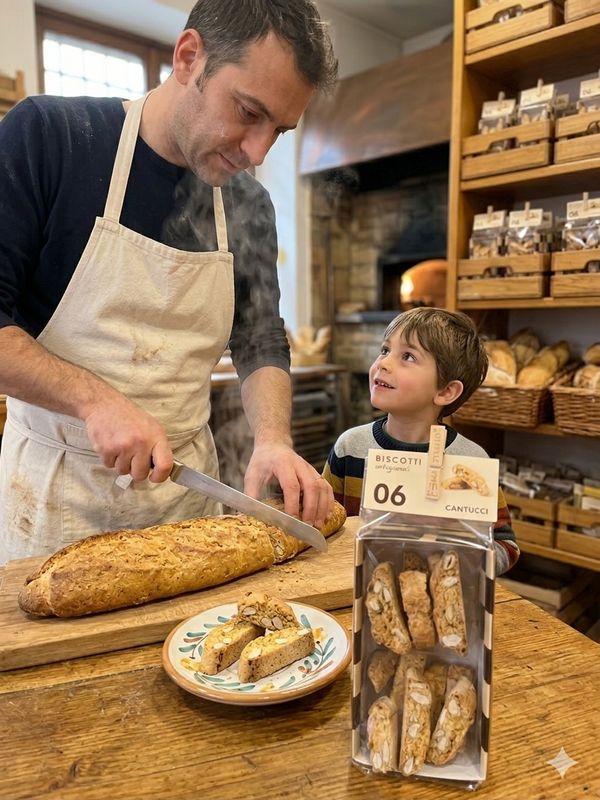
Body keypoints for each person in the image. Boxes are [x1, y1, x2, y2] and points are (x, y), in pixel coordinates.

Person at [0, 0, 338, 562]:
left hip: (183, 507)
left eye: (279, 129)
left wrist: (273, 440)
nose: (257, 151)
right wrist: (93, 400)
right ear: (188, 57)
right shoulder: (52, 139)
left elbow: (259, 339)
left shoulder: (249, 204)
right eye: (249, 112)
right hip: (53, 502)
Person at [323, 307, 520, 575]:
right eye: (384, 350)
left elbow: (505, 545)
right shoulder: (350, 447)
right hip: (356, 596)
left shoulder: (471, 462)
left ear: (446, 391)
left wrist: (459, 560)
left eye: (407, 356)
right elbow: (325, 524)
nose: (383, 363)